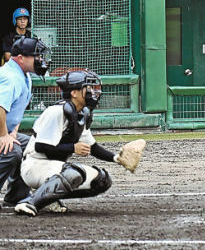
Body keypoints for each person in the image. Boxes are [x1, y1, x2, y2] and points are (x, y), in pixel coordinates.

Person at [14, 70, 132, 216]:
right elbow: (41, 147)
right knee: (73, 173)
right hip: (34, 166)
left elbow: (93, 148)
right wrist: (73, 148)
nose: (94, 92)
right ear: (74, 93)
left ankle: (48, 198)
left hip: (52, 168)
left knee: (102, 180)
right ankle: (30, 203)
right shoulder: (56, 111)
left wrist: (117, 158)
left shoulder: (81, 113)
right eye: (88, 88)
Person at [0, 37, 51, 208]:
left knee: (31, 146)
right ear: (21, 58)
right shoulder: (10, 77)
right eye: (36, 56)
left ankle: (16, 195)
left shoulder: (24, 75)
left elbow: (15, 109)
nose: (40, 60)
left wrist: (13, 131)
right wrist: (3, 135)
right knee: (11, 151)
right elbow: (0, 107)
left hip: (5, 129)